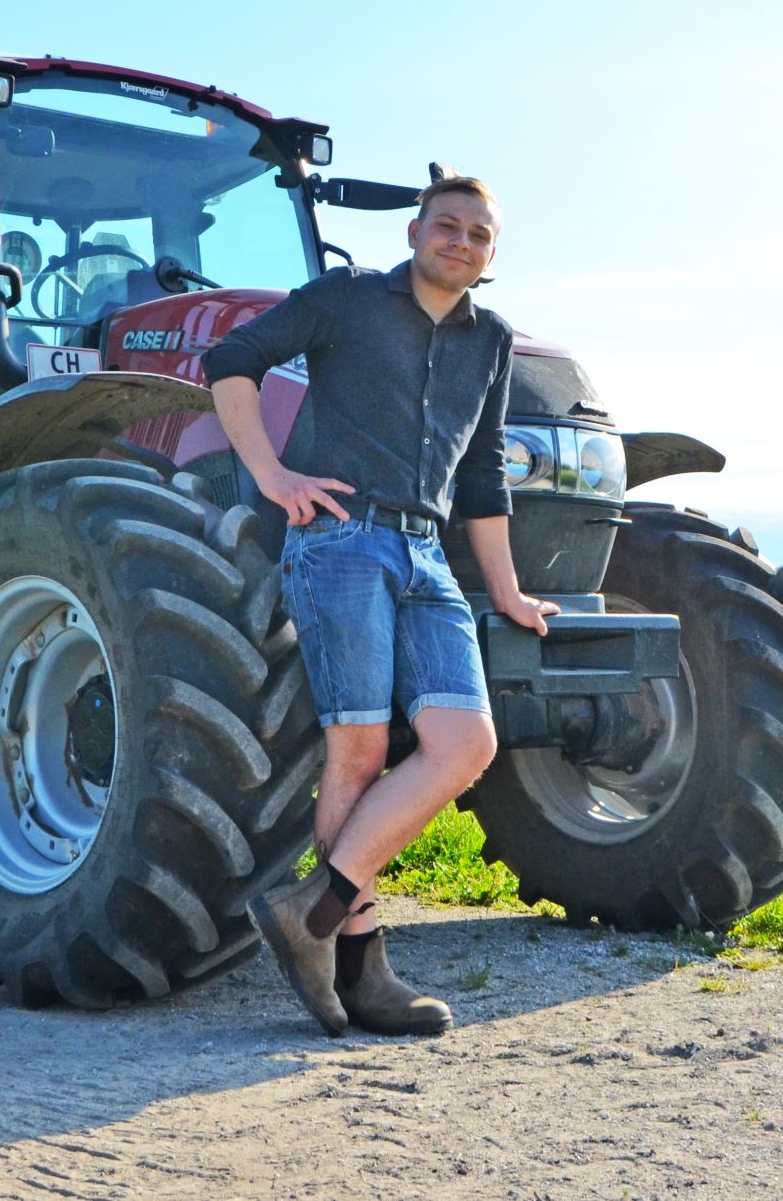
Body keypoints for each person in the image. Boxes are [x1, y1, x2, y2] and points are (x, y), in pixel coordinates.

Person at [202, 172, 557, 1037]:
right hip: (340, 543)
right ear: (414, 232)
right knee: (357, 753)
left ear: (490, 255)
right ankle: (362, 968)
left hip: (428, 555)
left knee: (464, 742)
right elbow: (229, 362)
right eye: (448, 226)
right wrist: (273, 476)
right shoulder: (346, 299)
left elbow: (481, 478)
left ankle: (312, 916)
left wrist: (505, 591)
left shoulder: (492, 340)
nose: (461, 242)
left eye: (479, 234)